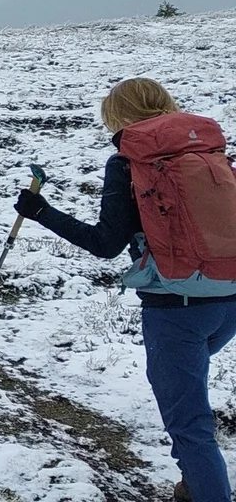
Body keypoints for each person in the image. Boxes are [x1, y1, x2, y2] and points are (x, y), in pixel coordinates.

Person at [15, 77, 236, 502]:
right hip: (229, 297)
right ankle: (197, 485)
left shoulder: (128, 161)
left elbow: (105, 244)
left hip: (176, 309)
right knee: (185, 396)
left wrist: (41, 212)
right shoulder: (206, 150)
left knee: (190, 426)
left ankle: (207, 488)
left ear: (116, 117)